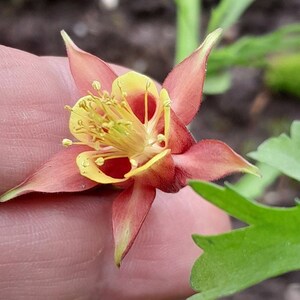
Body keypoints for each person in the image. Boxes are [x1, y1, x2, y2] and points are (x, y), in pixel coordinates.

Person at [0, 44, 230, 299]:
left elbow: (190, 77)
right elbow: (54, 177)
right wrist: (25, 187)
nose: (117, 128)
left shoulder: (175, 130)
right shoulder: (105, 173)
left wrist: (204, 49)